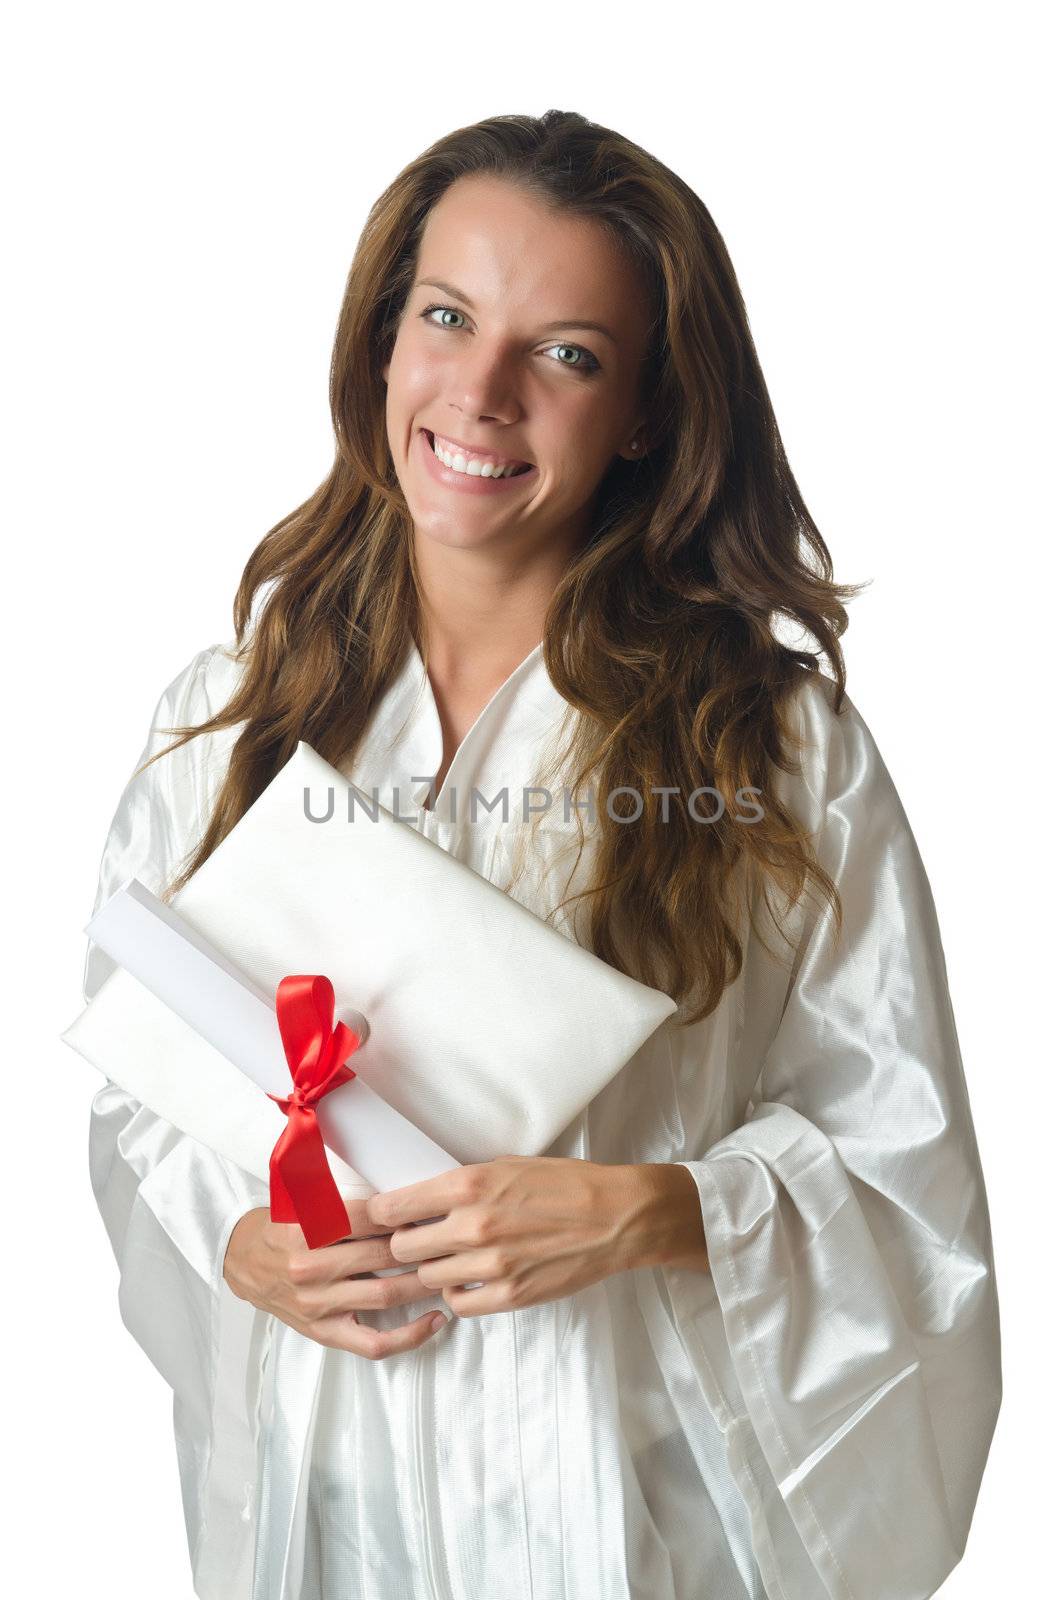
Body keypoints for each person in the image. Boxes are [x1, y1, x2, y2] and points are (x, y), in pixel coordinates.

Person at [82, 110, 1002, 1600]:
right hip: (338, 1530)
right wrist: (246, 1247)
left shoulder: (770, 754)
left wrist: (655, 1209)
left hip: (642, 1533)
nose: (482, 393)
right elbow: (144, 1104)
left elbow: (905, 1175)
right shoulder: (232, 721)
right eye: (445, 318)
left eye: (565, 353)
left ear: (642, 411)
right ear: (383, 342)